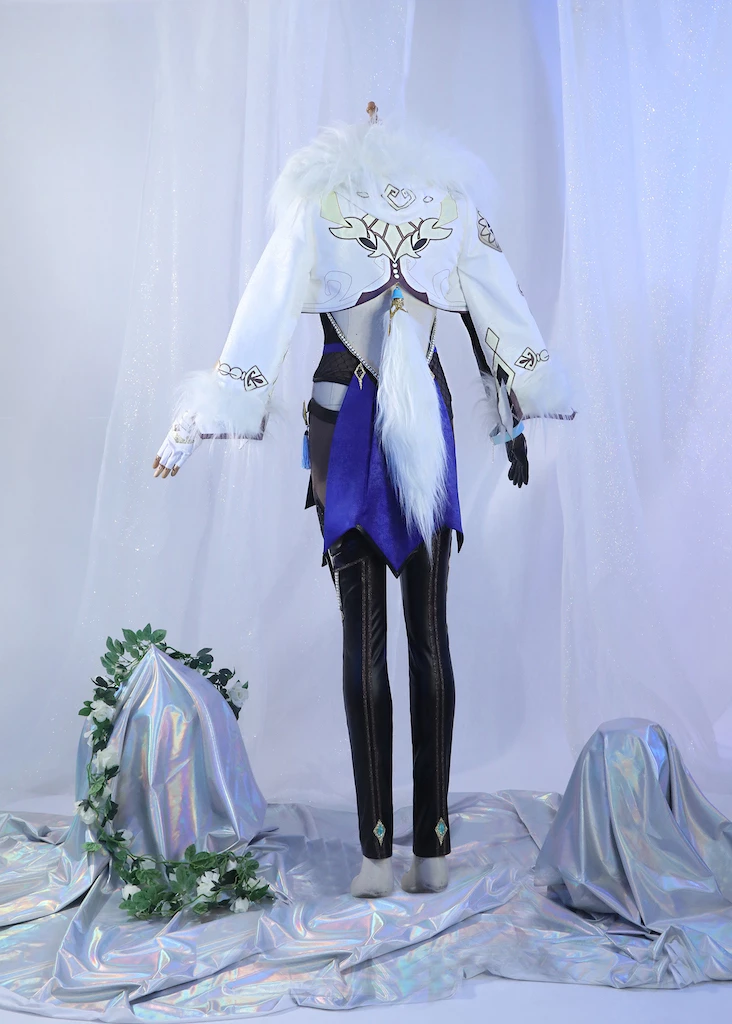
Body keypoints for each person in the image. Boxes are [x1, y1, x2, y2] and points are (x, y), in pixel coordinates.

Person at [153, 105, 575, 897]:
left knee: (373, 636)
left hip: (343, 413)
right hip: (389, 423)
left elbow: (263, 315)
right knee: (422, 634)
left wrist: (202, 416)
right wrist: (512, 417)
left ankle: (384, 853)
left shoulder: (321, 207)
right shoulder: (447, 206)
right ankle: (422, 850)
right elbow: (496, 312)